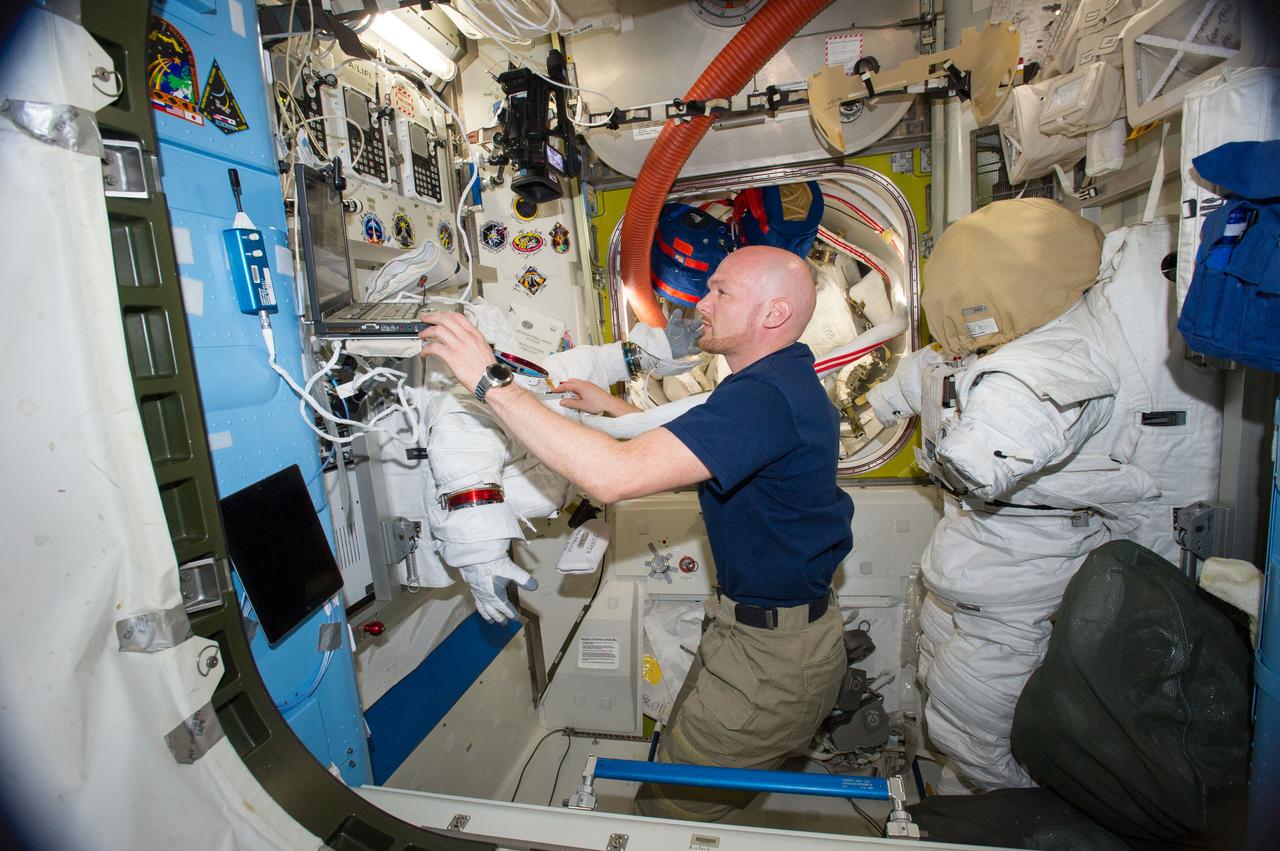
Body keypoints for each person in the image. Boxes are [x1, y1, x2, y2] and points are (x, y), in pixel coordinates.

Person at [419, 245, 853, 821]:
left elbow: (614, 477)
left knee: (669, 816)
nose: (702, 302)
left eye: (721, 292)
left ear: (772, 314)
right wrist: (608, 409)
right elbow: (687, 451)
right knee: (673, 762)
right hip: (754, 633)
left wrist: (488, 382)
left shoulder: (764, 398)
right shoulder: (776, 382)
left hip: (771, 658)